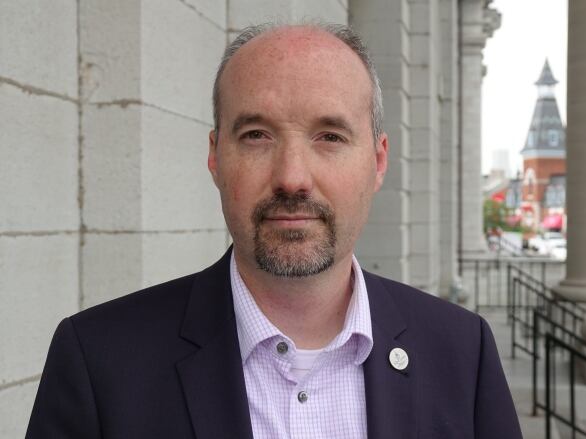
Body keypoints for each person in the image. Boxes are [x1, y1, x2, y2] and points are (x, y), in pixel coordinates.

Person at [26, 23, 522, 439]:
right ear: (215, 157)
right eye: (257, 136)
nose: (292, 177)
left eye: (329, 136)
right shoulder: (99, 362)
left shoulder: (462, 353)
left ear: (377, 161)